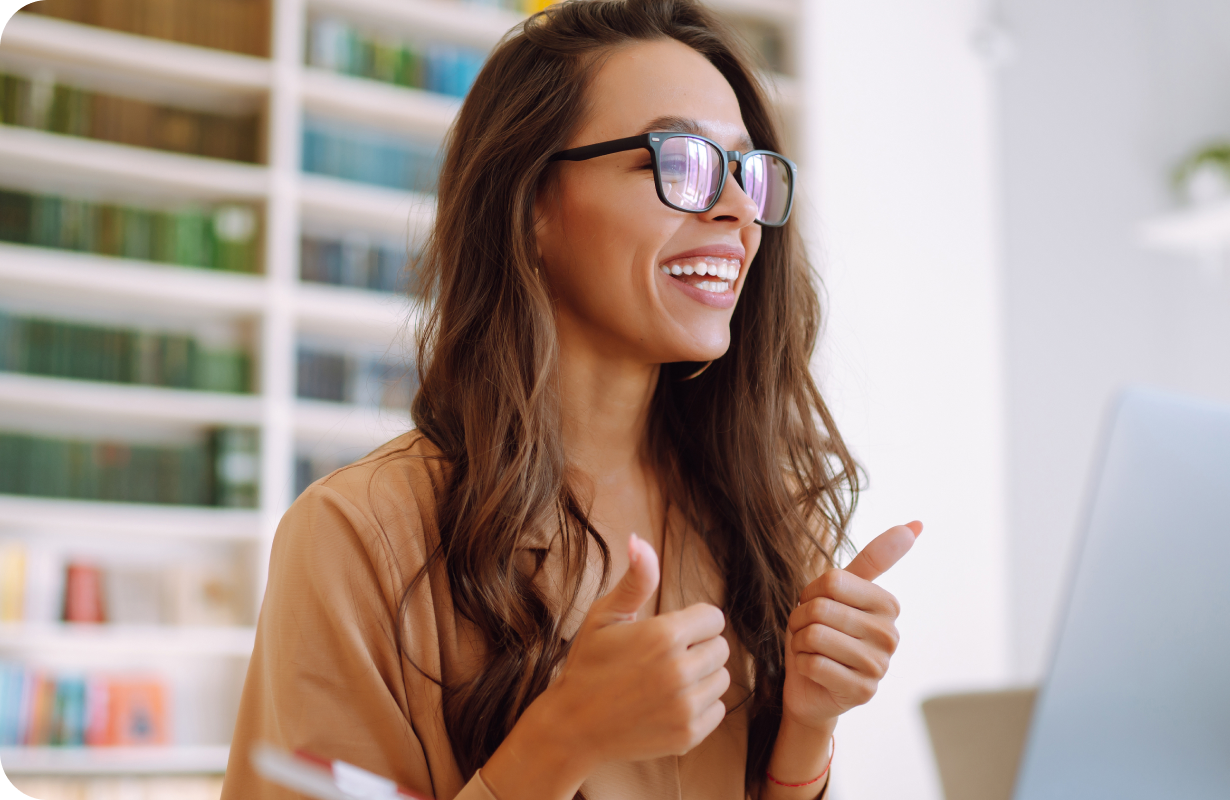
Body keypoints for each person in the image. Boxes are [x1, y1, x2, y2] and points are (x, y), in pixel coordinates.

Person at [222, 1, 920, 798]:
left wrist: (808, 733)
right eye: (683, 163)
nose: (736, 213)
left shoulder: (771, 514)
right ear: (530, 210)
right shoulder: (355, 540)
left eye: (747, 172)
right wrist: (563, 738)